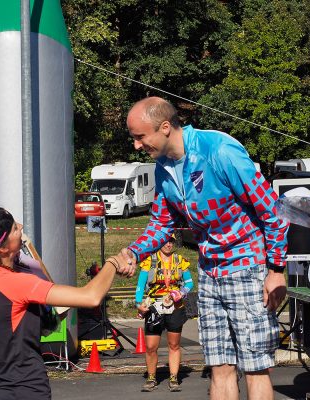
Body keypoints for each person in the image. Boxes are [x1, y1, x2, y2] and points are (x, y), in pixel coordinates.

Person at [116, 96, 289, 400]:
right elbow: (161, 224)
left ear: (165, 127)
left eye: (140, 137)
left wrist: (276, 270)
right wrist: (134, 253)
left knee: (255, 367)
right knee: (219, 367)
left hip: (247, 267)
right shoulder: (164, 168)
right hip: (209, 272)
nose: (137, 146)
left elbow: (271, 211)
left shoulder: (219, 151)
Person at [0, 205, 136, 400]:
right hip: (27, 389)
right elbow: (91, 296)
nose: (20, 226)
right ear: (3, 247)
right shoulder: (17, 284)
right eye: (13, 228)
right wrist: (113, 262)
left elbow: (42, 324)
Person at [135, 235, 194, 392]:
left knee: (174, 344)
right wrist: (138, 304)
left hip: (175, 306)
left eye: (171, 241)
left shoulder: (180, 260)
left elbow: (189, 282)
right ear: (159, 243)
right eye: (165, 241)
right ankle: (151, 377)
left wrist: (182, 292)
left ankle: (174, 378)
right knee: (150, 346)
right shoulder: (150, 260)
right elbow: (140, 284)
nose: (168, 244)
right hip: (154, 306)